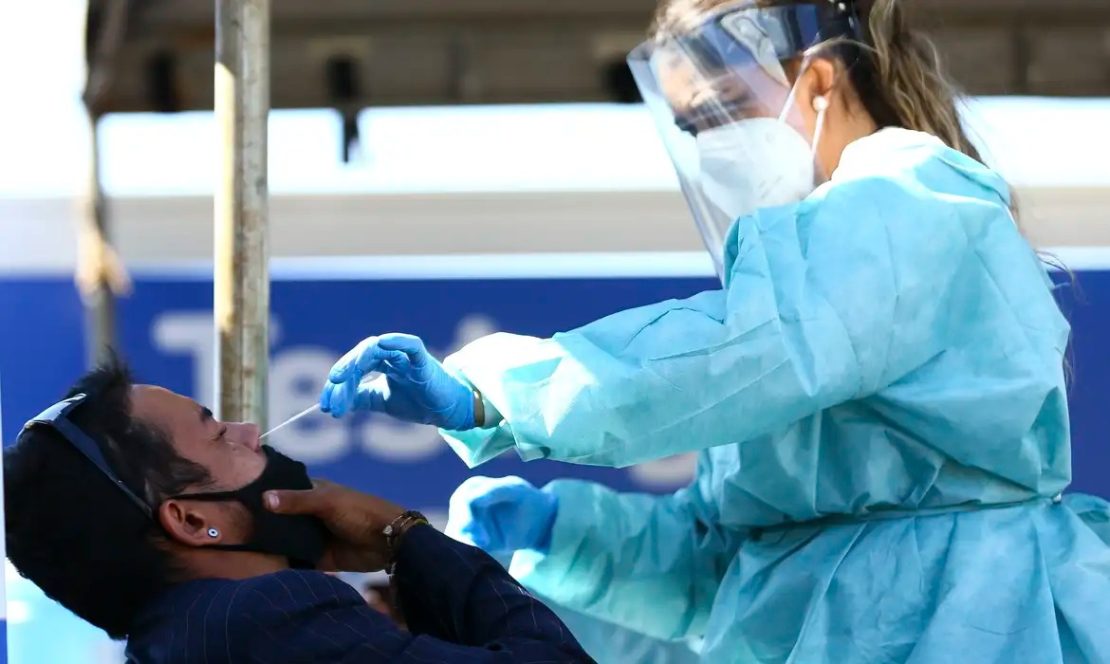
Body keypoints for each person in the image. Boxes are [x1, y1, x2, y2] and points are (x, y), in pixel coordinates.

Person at [319, 0, 1110, 661]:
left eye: (723, 112)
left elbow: (758, 345)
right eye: (691, 128)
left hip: (964, 625)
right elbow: (733, 562)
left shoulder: (909, 198)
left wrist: (498, 394)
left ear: (820, 81)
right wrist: (570, 536)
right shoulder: (812, 261)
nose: (710, 148)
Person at [4, 359, 593, 663]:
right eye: (218, 435)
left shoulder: (184, 641)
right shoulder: (270, 618)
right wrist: (405, 537)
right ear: (187, 520)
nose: (251, 432)